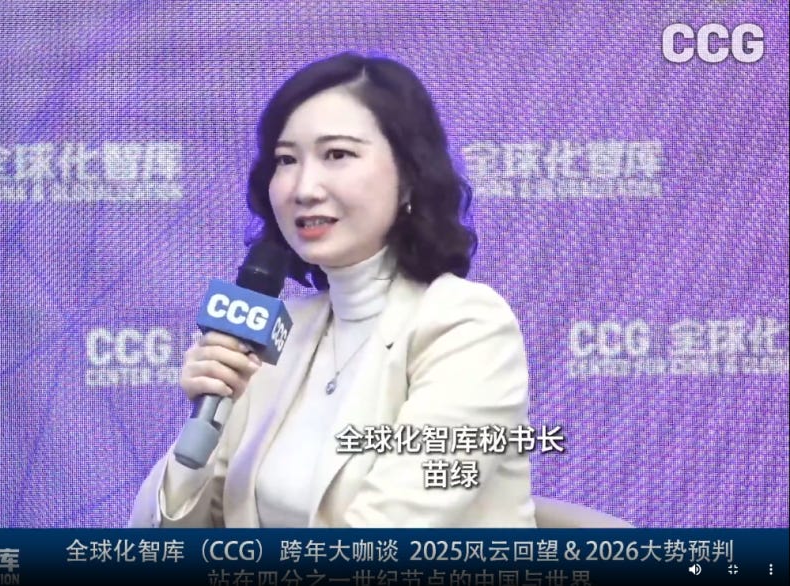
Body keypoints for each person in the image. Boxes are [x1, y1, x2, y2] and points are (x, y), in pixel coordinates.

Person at [128, 52, 536, 528]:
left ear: (409, 177)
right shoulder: (279, 335)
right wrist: (204, 427)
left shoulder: (468, 326)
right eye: (286, 160)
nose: (304, 188)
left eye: (337, 155)